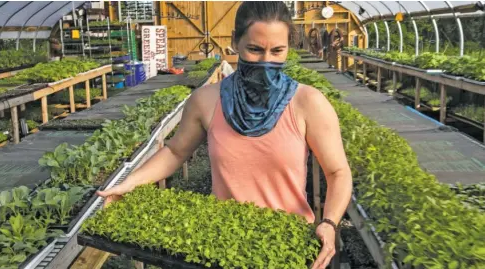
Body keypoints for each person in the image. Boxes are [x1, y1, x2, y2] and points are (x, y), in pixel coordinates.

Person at [98, 2, 353, 268]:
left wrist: (330, 221)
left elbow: (338, 172)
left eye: (277, 51)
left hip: (288, 247)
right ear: (235, 42)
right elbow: (175, 151)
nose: (266, 61)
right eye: (254, 49)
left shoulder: (308, 102)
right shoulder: (206, 101)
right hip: (224, 245)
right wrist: (131, 182)